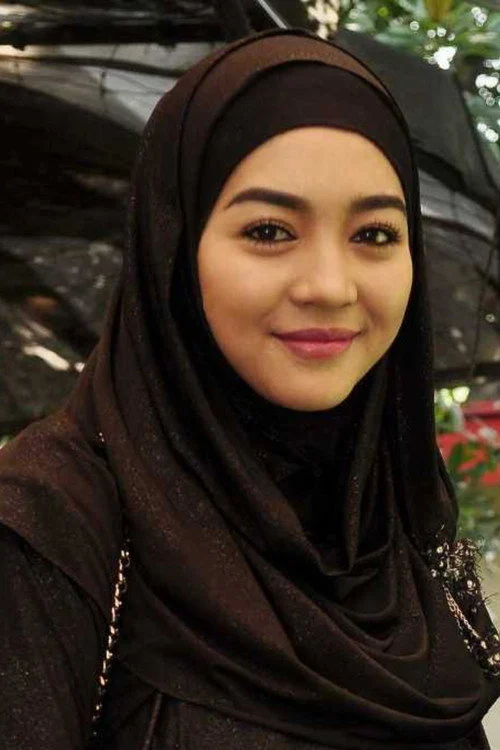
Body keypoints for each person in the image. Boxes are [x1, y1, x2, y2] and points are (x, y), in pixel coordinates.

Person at [0, 27, 499, 750]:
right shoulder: (49, 527)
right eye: (269, 231)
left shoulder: (389, 514)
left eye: (374, 235)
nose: (330, 287)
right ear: (175, 249)